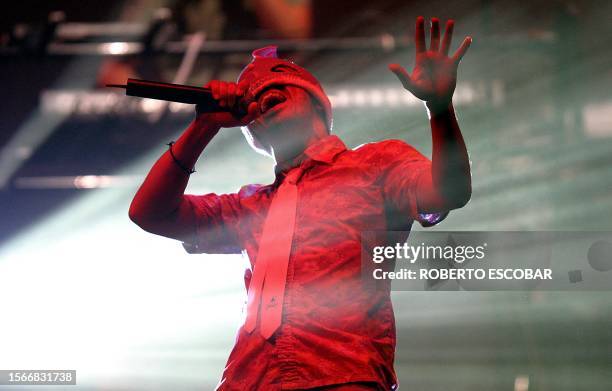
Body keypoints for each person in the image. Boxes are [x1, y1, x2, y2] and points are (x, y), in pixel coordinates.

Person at [129, 16, 472, 391]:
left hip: (340, 374)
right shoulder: (251, 206)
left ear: (314, 101)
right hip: (248, 381)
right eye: (252, 98)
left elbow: (449, 191)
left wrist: (439, 107)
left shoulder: (374, 165)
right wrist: (203, 126)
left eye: (274, 88)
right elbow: (148, 213)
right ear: (250, 130)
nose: (259, 92)